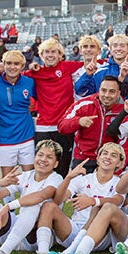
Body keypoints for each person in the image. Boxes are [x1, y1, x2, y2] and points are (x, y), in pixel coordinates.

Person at [37, 143, 128, 254]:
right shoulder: (83, 179)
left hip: (99, 238)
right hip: (74, 230)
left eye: (114, 155)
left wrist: (93, 201)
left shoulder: (119, 183)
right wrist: (69, 177)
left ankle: (69, 253)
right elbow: (58, 200)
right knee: (49, 206)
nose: (108, 157)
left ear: (120, 164)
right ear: (98, 159)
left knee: (99, 208)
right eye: (105, 153)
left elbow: (118, 201)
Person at [25, 37, 84, 177]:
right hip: (44, 126)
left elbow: (93, 64)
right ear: (41, 55)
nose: (50, 55)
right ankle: (40, 197)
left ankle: (59, 198)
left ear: (60, 55)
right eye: (46, 52)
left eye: (54, 52)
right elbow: (15, 76)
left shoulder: (68, 67)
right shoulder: (35, 72)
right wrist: (29, 67)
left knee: (62, 167)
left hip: (64, 126)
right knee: (42, 166)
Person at [59, 75, 128, 172]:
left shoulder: (125, 111)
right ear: (99, 90)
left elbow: (125, 144)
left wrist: (118, 170)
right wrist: (78, 121)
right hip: (83, 158)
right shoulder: (84, 104)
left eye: (112, 91)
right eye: (103, 90)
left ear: (118, 93)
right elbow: (61, 126)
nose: (106, 95)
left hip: (108, 160)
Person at [0, 50, 36, 178]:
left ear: (22, 66)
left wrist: (33, 104)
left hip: (26, 137)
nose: (12, 67)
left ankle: (26, 199)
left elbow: (39, 98)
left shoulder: (29, 82)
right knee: (7, 180)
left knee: (28, 178)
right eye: (9, 63)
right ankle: (8, 199)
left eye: (16, 64)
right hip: (5, 138)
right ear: (3, 65)